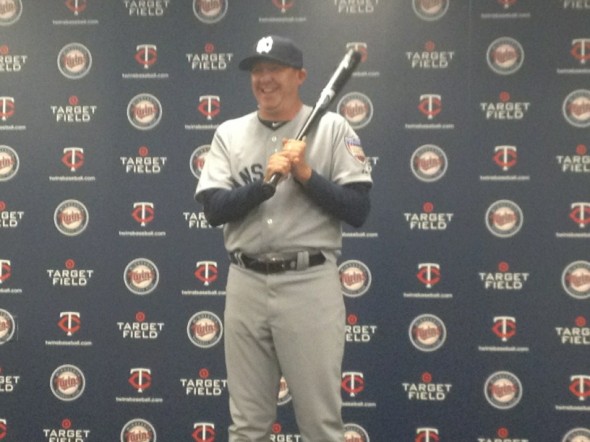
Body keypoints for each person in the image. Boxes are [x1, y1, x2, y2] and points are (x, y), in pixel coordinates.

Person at [195, 35, 372, 442]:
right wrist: (262, 187)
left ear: (301, 76)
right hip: (246, 282)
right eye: (258, 70)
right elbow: (214, 210)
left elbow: (358, 210)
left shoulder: (331, 128)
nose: (264, 78)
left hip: (308, 283)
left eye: (274, 68)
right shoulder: (230, 133)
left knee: (320, 425)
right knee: (248, 426)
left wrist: (306, 175)